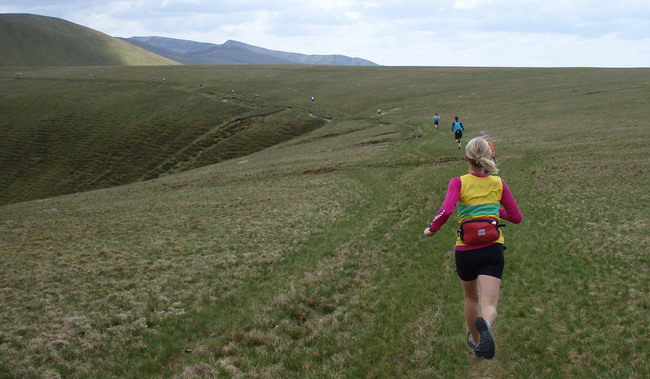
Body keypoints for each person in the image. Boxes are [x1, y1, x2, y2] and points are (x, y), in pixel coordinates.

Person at [423, 137, 522, 359]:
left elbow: (446, 211)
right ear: (487, 157)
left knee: (470, 298)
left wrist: (432, 228)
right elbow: (516, 217)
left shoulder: (458, 182)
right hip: (492, 249)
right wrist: (496, 212)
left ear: (466, 158)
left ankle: (477, 342)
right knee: (489, 303)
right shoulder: (498, 183)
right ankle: (485, 323)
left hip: (466, 250)